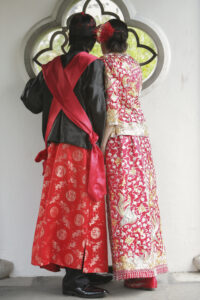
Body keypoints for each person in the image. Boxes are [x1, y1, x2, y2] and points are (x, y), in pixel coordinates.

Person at [21, 13, 112, 298]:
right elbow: (98, 106)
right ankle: (74, 281)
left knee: (60, 210)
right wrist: (98, 139)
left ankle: (84, 268)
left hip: (55, 151)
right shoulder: (93, 64)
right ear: (93, 40)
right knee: (83, 210)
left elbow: (31, 102)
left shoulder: (49, 67)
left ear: (68, 37)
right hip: (80, 147)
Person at [97, 19, 168, 289]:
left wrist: (100, 144)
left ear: (102, 42)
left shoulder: (105, 65)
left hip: (119, 140)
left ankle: (136, 274)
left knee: (122, 203)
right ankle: (147, 270)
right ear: (125, 41)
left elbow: (110, 107)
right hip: (141, 138)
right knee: (142, 202)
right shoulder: (133, 65)